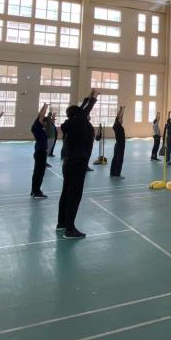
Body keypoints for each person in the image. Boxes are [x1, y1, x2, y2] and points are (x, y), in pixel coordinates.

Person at [57, 90, 97, 239]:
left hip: (70, 164)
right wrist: (92, 100)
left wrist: (88, 98)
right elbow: (82, 112)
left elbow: (81, 111)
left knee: (66, 193)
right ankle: (70, 229)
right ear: (77, 115)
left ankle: (62, 223)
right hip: (76, 165)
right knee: (74, 195)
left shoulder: (73, 124)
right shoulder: (77, 123)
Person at [30, 104, 51, 199]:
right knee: (39, 173)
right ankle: (36, 191)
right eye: (44, 121)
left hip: (41, 152)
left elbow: (40, 116)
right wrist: (45, 106)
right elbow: (40, 115)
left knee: (38, 173)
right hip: (40, 153)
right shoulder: (37, 127)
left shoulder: (39, 128)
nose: (45, 123)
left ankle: (34, 190)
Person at [110, 105, 126, 178]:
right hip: (120, 145)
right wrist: (121, 110)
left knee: (115, 158)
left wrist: (121, 110)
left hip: (118, 144)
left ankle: (113, 172)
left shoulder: (116, 125)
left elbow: (118, 117)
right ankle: (117, 174)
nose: (122, 119)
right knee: (119, 159)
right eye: (121, 119)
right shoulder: (117, 126)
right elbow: (118, 117)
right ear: (118, 120)